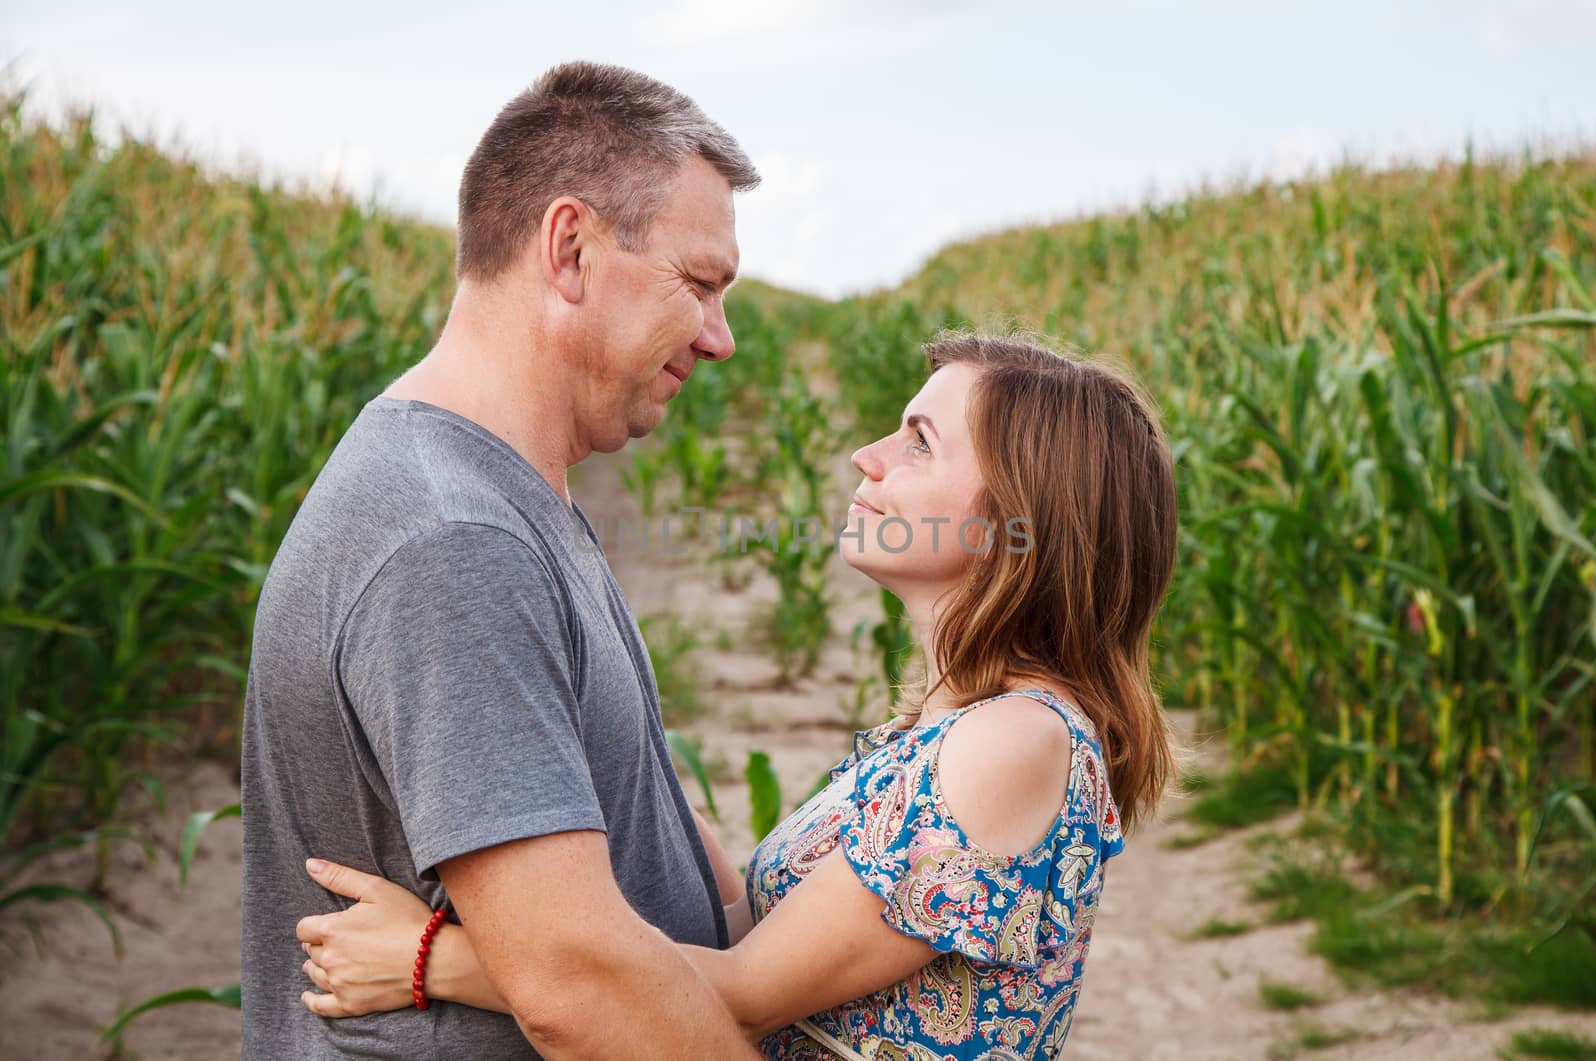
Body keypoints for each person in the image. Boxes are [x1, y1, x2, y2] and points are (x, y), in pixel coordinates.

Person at [294, 334, 1181, 1058]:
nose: (866, 456)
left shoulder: (1016, 742)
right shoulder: (949, 730)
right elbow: (743, 925)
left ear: (1010, 518)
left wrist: (430, 960)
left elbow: (738, 993)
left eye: (918, 441)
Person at [239, 61, 765, 1059]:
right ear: (569, 247)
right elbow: (576, 986)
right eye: (697, 284)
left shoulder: (514, 491)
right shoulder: (451, 537)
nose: (719, 337)